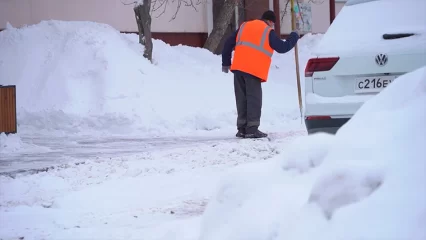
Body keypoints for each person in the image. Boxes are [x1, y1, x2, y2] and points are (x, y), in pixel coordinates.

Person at [222, 10, 300, 139]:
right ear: (270, 22)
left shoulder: (244, 26)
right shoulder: (267, 31)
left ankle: (242, 129)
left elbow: (228, 43)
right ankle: (252, 129)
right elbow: (282, 47)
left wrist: (225, 62)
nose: (272, 26)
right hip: (252, 70)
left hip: (238, 68)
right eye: (273, 24)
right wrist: (294, 36)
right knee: (254, 99)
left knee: (241, 99)